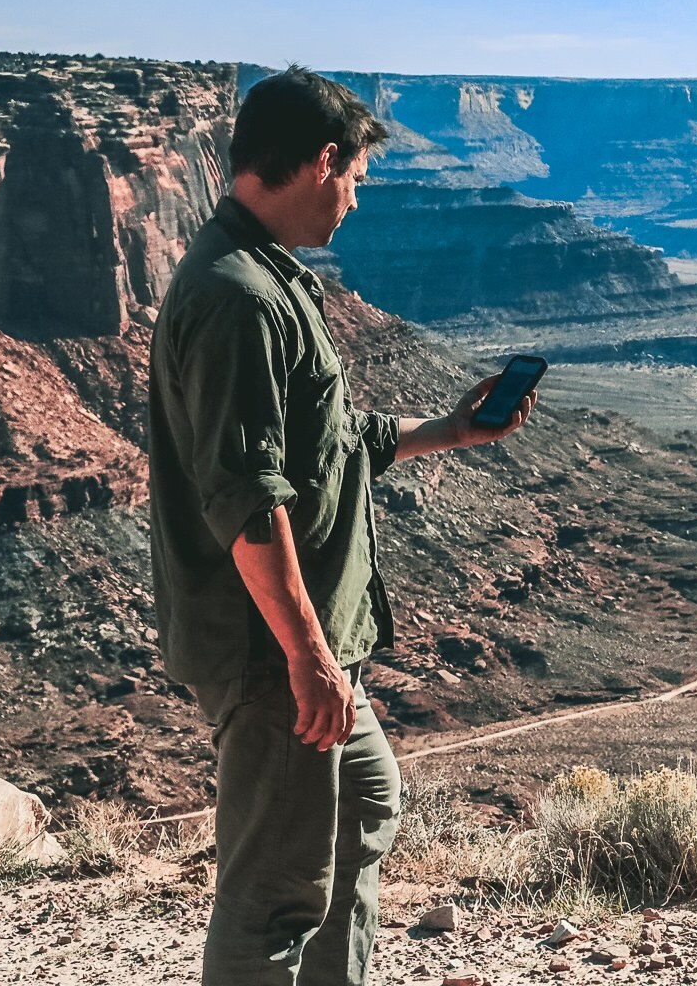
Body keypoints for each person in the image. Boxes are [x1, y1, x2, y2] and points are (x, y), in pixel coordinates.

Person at [147, 66, 538, 985]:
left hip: (301, 642)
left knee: (363, 803)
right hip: (273, 650)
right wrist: (308, 657)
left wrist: (449, 428)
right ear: (322, 161)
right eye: (356, 177)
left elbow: (331, 444)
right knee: (274, 893)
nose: (357, 199)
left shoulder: (266, 277)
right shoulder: (240, 298)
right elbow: (248, 499)